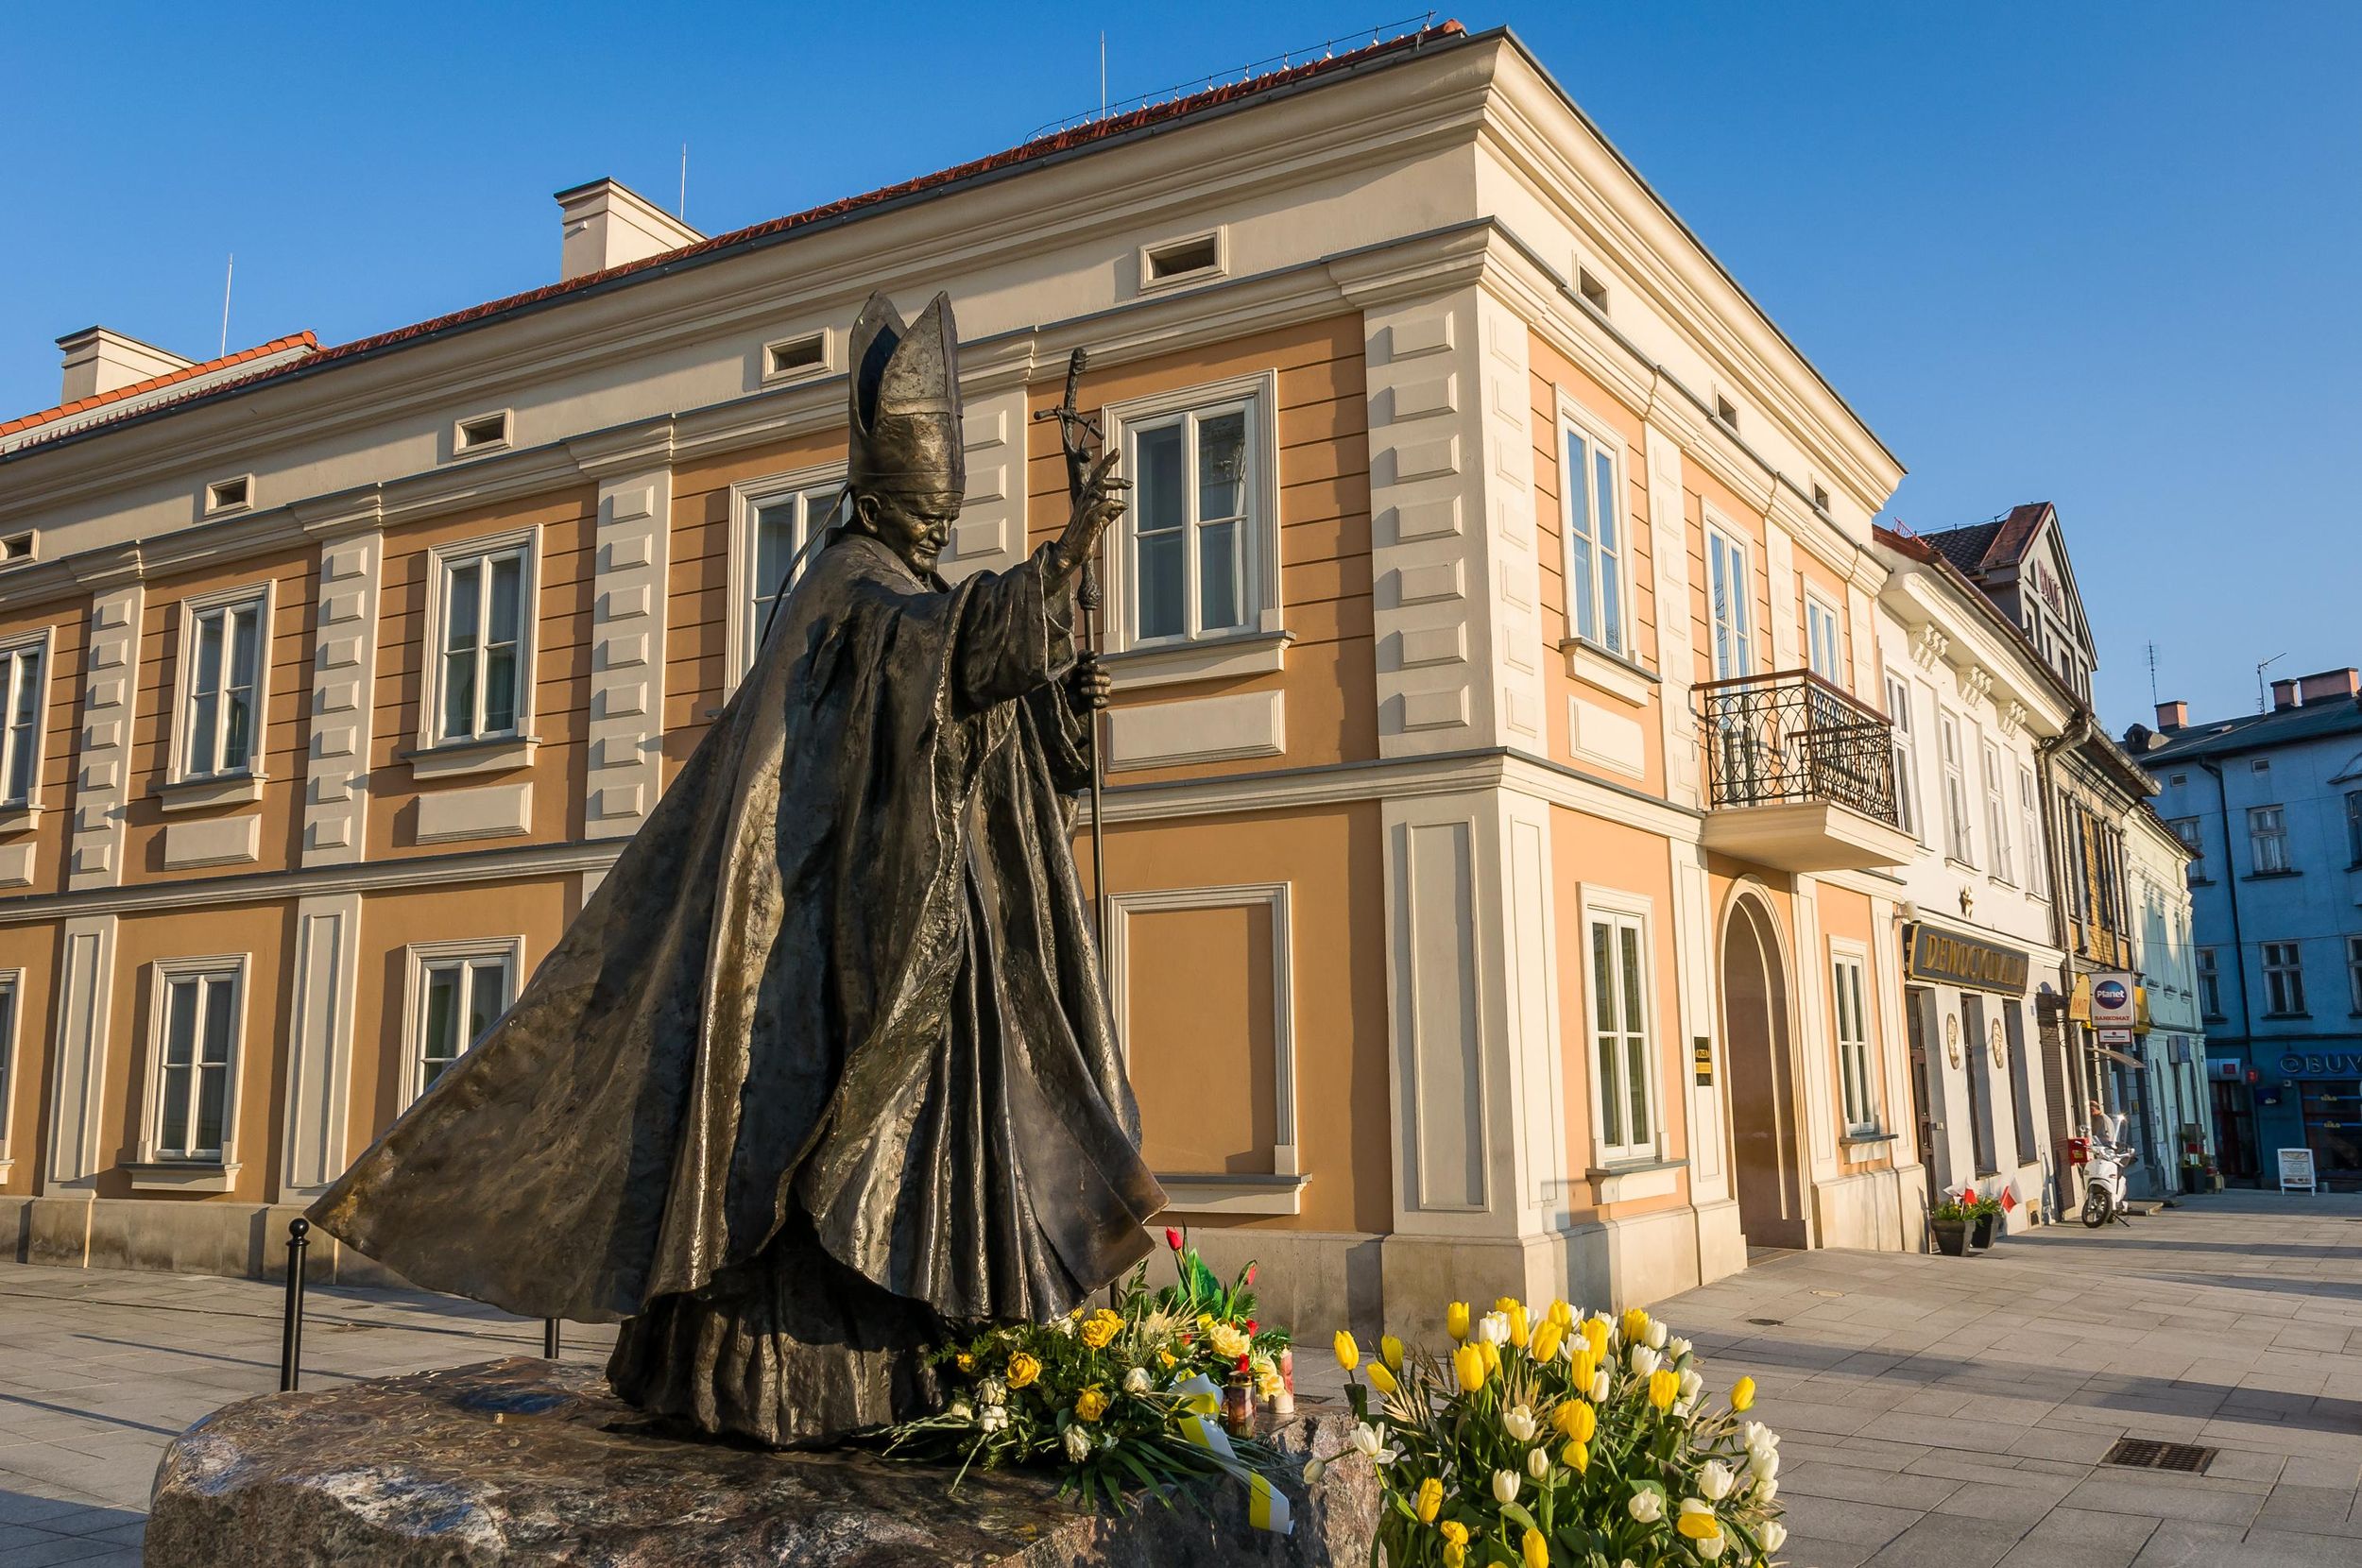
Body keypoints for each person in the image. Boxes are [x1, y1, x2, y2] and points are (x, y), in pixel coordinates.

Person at [309, 291, 1167, 1446]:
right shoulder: (845, 585)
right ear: (876, 495)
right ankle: (797, 1377)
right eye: (925, 509)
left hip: (922, 930)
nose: (933, 529)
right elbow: (930, 656)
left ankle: (920, 1359)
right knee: (802, 1167)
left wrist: (1059, 700)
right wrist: (1061, 560)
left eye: (945, 513)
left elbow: (974, 721)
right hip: (824, 952)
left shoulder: (904, 584)